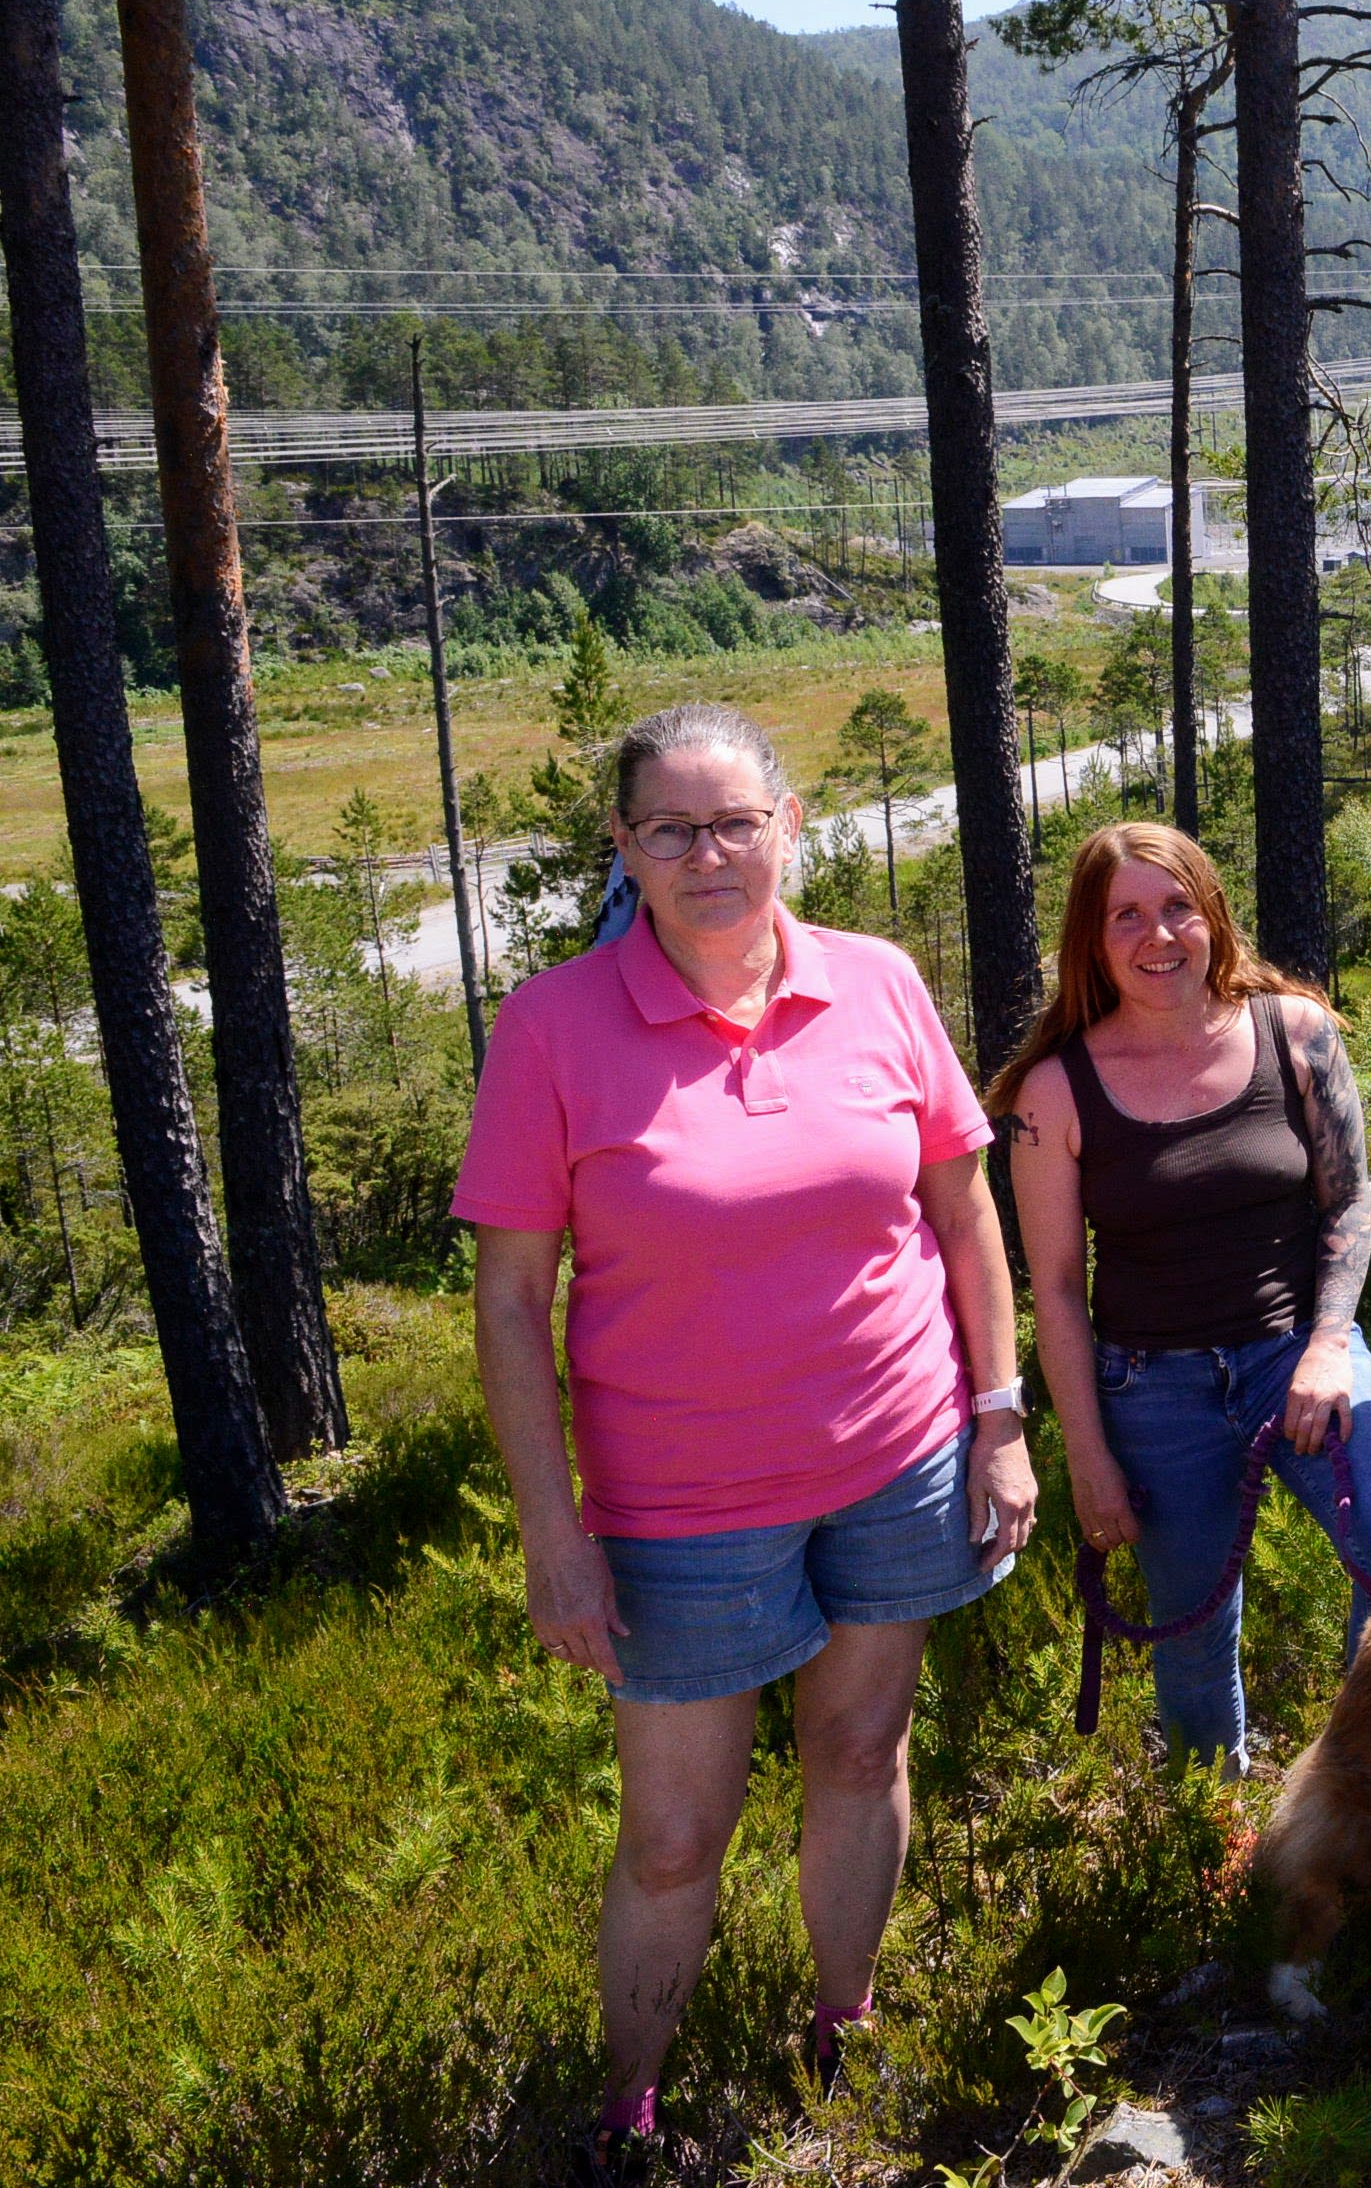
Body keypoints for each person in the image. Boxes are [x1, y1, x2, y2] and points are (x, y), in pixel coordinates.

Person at [451, 703, 1036, 2182]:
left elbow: (964, 1211)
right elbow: (511, 1302)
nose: (707, 854)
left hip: (900, 1455)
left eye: (733, 823)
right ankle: (630, 2108)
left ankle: (845, 2022)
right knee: (670, 1836)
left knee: (860, 1746)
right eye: (669, 829)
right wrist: (551, 1534)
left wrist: (999, 1414)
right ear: (623, 847)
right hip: (677, 1510)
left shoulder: (879, 980)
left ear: (789, 825)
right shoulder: (553, 1028)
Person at [993, 821, 1371, 1769]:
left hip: (1298, 1349)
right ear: (1091, 939)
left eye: (1177, 907)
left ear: (1213, 913)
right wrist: (1088, 1458)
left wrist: (1328, 1346)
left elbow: (1348, 1202)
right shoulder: (1054, 1092)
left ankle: (1367, 1783)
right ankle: (1215, 1819)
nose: (1158, 936)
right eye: (1126, 916)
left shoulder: (1295, 1032)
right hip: (1150, 1387)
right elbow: (1059, 1294)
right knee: (1194, 1631)